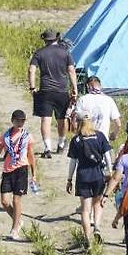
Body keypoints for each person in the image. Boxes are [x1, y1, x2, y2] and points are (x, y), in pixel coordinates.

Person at [28, 28, 78, 158]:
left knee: (46, 119)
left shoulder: (39, 53)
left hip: (45, 90)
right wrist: (74, 89)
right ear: (57, 38)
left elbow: (31, 70)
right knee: (62, 119)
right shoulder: (65, 52)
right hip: (61, 90)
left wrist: (32, 88)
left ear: (44, 39)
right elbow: (71, 71)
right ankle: (61, 143)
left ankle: (47, 148)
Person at [66, 111, 112, 249]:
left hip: (83, 176)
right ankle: (97, 227)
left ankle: (87, 237)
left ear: (78, 123)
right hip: (98, 175)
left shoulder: (76, 140)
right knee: (97, 204)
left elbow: (73, 162)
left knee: (85, 210)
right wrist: (110, 171)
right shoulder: (100, 136)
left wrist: (69, 179)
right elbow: (107, 156)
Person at [0, 110, 36, 240]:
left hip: (21, 169)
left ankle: (14, 229)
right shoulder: (5, 136)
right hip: (7, 171)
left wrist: (34, 174)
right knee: (4, 201)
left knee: (16, 200)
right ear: (12, 120)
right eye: (18, 120)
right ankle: (18, 220)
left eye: (22, 120)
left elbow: (31, 155)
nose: (20, 123)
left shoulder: (27, 136)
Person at [73, 76, 121, 143]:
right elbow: (118, 124)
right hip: (103, 141)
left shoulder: (82, 99)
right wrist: (114, 134)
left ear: (87, 86)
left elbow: (75, 123)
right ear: (100, 86)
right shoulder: (109, 100)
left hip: (86, 140)